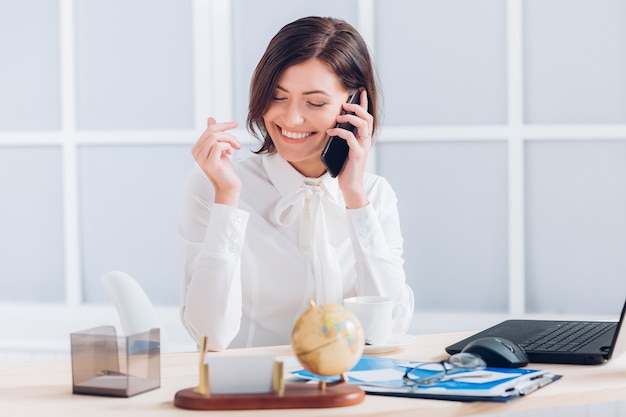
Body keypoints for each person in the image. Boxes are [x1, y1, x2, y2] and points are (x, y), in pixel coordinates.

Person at [179, 16, 414, 351]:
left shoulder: (374, 195)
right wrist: (227, 201)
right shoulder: (216, 185)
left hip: (349, 390)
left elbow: (390, 328)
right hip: (252, 390)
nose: (291, 118)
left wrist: (355, 199)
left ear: (355, 106)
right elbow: (209, 336)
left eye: (315, 102)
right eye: (277, 96)